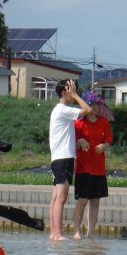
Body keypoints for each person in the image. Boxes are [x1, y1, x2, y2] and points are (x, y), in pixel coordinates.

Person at [48, 79, 92, 241]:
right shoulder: (62, 110)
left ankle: (54, 233)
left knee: (56, 196)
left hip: (61, 157)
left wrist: (77, 143)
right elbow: (87, 110)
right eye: (71, 90)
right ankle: (57, 233)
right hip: (62, 159)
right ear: (63, 92)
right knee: (61, 196)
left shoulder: (60, 111)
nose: (74, 93)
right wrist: (75, 95)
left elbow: (64, 136)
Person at [72, 91, 114, 239]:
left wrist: (104, 145)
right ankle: (76, 231)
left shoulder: (103, 122)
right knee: (82, 200)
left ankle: (90, 232)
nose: (94, 107)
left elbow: (108, 140)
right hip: (83, 167)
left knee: (95, 201)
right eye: (91, 104)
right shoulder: (78, 123)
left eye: (96, 104)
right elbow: (72, 145)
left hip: (98, 168)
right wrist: (80, 142)